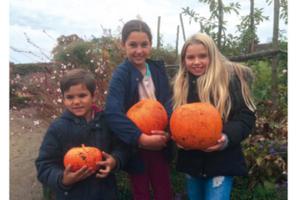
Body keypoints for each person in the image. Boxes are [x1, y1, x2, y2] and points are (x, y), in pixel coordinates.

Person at [172, 33, 256, 200]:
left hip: (222, 163)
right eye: (190, 57)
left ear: (213, 56)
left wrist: (226, 137)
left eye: (203, 56)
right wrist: (176, 136)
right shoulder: (180, 85)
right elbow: (173, 119)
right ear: (184, 60)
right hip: (192, 163)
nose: (197, 62)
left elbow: (246, 117)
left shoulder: (230, 81)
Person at [104, 19, 173, 200]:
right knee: (141, 190)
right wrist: (140, 138)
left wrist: (168, 132)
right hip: (135, 145)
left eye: (144, 44)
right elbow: (112, 112)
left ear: (151, 44)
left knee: (163, 187)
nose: (139, 50)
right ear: (123, 45)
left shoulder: (157, 69)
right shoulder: (121, 74)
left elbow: (169, 102)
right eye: (132, 45)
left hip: (160, 140)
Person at [35, 68, 129, 200]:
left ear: (93, 96)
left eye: (82, 95)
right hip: (73, 195)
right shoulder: (58, 128)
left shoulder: (106, 121)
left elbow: (121, 147)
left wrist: (114, 161)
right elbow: (44, 165)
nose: (76, 101)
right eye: (70, 97)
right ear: (63, 99)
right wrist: (63, 179)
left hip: (105, 193)